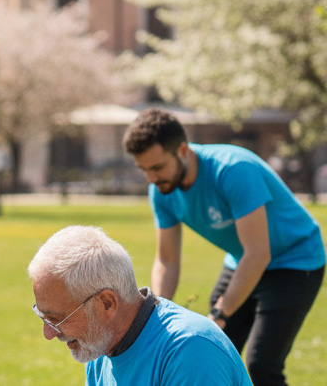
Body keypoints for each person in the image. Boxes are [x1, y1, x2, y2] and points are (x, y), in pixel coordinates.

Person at [122, 108, 325, 386]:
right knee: (208, 351)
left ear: (182, 150)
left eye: (157, 167)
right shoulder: (161, 190)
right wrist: (155, 316)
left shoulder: (232, 169)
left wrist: (220, 312)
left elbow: (258, 253)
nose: (151, 179)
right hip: (241, 260)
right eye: (144, 169)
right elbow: (167, 260)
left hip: (295, 260)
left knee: (261, 366)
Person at [28, 225, 252, 385]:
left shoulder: (190, 350)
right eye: (43, 316)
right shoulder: (99, 345)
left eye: (57, 318)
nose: (48, 333)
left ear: (107, 303)